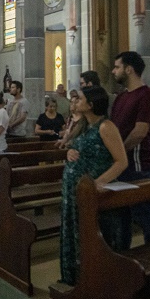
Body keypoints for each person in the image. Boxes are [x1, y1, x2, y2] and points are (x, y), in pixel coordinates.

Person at [59, 86, 128, 285]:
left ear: (91, 104)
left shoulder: (106, 126)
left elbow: (121, 161)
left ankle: (94, 280)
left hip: (93, 192)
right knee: (75, 231)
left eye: (79, 99)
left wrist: (98, 183)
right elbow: (76, 149)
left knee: (91, 235)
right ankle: (75, 277)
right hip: (75, 191)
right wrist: (69, 153)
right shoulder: (84, 125)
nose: (75, 101)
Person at [110, 51, 150, 249]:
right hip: (120, 164)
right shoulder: (121, 97)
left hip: (138, 164)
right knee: (121, 215)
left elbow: (140, 132)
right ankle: (122, 255)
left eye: (117, 67)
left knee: (144, 214)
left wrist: (119, 153)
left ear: (129, 69)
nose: (114, 71)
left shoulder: (146, 95)